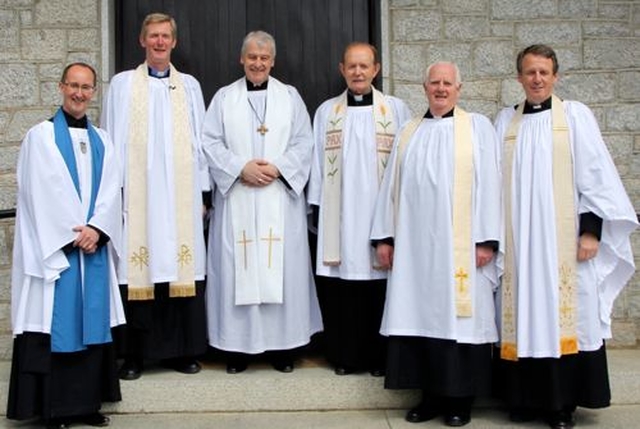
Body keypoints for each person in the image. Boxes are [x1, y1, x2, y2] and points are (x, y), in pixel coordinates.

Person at [493, 44, 638, 429]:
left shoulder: (574, 116)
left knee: (564, 318)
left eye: (543, 72)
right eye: (529, 72)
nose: (536, 79)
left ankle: (561, 405)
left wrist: (591, 231)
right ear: (519, 77)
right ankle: (524, 400)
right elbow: (490, 184)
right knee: (523, 315)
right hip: (521, 244)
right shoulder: (504, 122)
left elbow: (597, 177)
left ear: (555, 76)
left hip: (566, 244)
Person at [370, 61, 502, 427]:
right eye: (434, 83)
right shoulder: (409, 131)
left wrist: (486, 240)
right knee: (421, 319)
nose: (441, 89)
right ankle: (428, 397)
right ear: (424, 87)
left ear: (459, 89)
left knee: (459, 321)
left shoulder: (477, 127)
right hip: (415, 249)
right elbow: (390, 189)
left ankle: (460, 400)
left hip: (462, 250)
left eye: (448, 83)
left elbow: (490, 181)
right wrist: (385, 237)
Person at [7, 62, 125, 428]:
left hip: (92, 250)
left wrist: (98, 229)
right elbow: (37, 193)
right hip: (58, 254)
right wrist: (75, 234)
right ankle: (54, 410)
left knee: (91, 326)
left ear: (93, 92)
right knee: (56, 325)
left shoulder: (103, 140)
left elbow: (112, 190)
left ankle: (86, 406)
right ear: (61, 87)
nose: (79, 93)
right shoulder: (39, 137)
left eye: (86, 87)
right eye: (73, 85)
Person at [201, 30, 322, 373]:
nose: (257, 63)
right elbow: (209, 142)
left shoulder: (290, 97)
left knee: (280, 271)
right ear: (242, 59)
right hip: (237, 193)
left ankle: (282, 348)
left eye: (264, 58)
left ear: (273, 61)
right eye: (252, 57)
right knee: (237, 270)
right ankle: (237, 349)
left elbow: (304, 142)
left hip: (278, 199)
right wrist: (240, 168)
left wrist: (278, 169)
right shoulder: (225, 98)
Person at [100, 12, 208, 380]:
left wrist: (204, 193)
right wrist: (113, 194)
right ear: (141, 41)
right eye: (153, 36)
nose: (160, 42)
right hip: (139, 196)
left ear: (174, 42)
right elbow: (110, 140)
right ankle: (134, 356)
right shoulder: (122, 85)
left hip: (181, 196)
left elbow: (201, 143)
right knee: (139, 270)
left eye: (165, 36)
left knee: (180, 267)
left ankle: (181, 352)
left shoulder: (189, 86)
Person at [307, 42, 411, 376]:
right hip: (341, 219)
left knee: (379, 287)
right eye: (351, 66)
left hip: (383, 217)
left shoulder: (396, 110)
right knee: (344, 289)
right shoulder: (327, 112)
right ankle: (346, 357)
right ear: (342, 69)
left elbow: (405, 165)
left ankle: (380, 358)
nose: (358, 72)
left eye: (364, 66)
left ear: (376, 70)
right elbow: (317, 167)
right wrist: (320, 210)